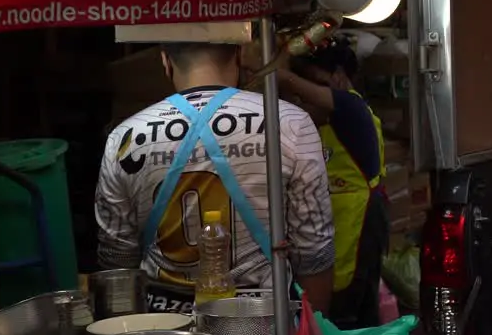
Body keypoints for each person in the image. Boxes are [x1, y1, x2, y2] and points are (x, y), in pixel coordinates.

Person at [95, 42, 336, 315]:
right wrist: (314, 334)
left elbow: (117, 259)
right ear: (240, 53)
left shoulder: (123, 137)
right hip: (265, 325)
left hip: (165, 330)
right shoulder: (291, 123)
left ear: (165, 61)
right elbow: (314, 252)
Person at [276, 37, 389, 329]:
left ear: (339, 77)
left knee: (351, 309)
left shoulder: (351, 107)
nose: (307, 98)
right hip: (334, 225)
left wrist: (279, 70)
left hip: (360, 223)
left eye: (316, 85)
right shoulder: (320, 120)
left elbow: (299, 88)